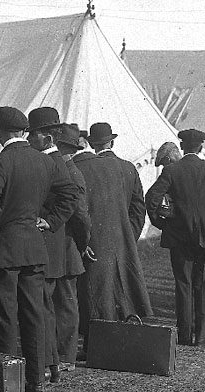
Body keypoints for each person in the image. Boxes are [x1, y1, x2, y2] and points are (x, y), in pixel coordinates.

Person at [0, 107, 77, 392]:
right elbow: (70, 194)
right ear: (24, 131)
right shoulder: (44, 162)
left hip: (5, 249)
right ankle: (36, 381)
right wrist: (51, 221)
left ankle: (8, 383)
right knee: (34, 315)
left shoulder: (0, 163)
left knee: (5, 317)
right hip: (35, 247)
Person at [145, 129, 205, 346]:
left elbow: (151, 198)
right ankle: (202, 336)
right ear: (201, 148)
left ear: (182, 148)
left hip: (179, 237)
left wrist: (163, 224)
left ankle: (184, 334)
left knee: (183, 284)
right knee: (203, 285)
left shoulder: (172, 171)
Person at [74, 122, 152, 353]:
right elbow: (139, 207)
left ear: (90, 143)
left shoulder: (82, 168)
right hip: (122, 240)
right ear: (112, 142)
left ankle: (95, 345)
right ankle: (122, 343)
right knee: (123, 290)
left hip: (94, 241)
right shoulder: (127, 168)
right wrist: (130, 234)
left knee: (95, 292)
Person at [25, 108, 87, 381]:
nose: (28, 139)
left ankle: (59, 358)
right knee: (55, 304)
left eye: (33, 134)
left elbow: (78, 211)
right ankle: (56, 359)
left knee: (56, 305)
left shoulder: (60, 166)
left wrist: (52, 222)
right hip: (60, 245)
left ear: (48, 138)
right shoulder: (53, 163)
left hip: (61, 245)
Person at [52, 123, 91, 370]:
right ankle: (59, 353)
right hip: (64, 247)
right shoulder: (64, 170)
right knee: (61, 302)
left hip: (67, 247)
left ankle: (66, 356)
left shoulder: (71, 173)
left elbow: (81, 217)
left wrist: (83, 243)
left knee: (66, 303)